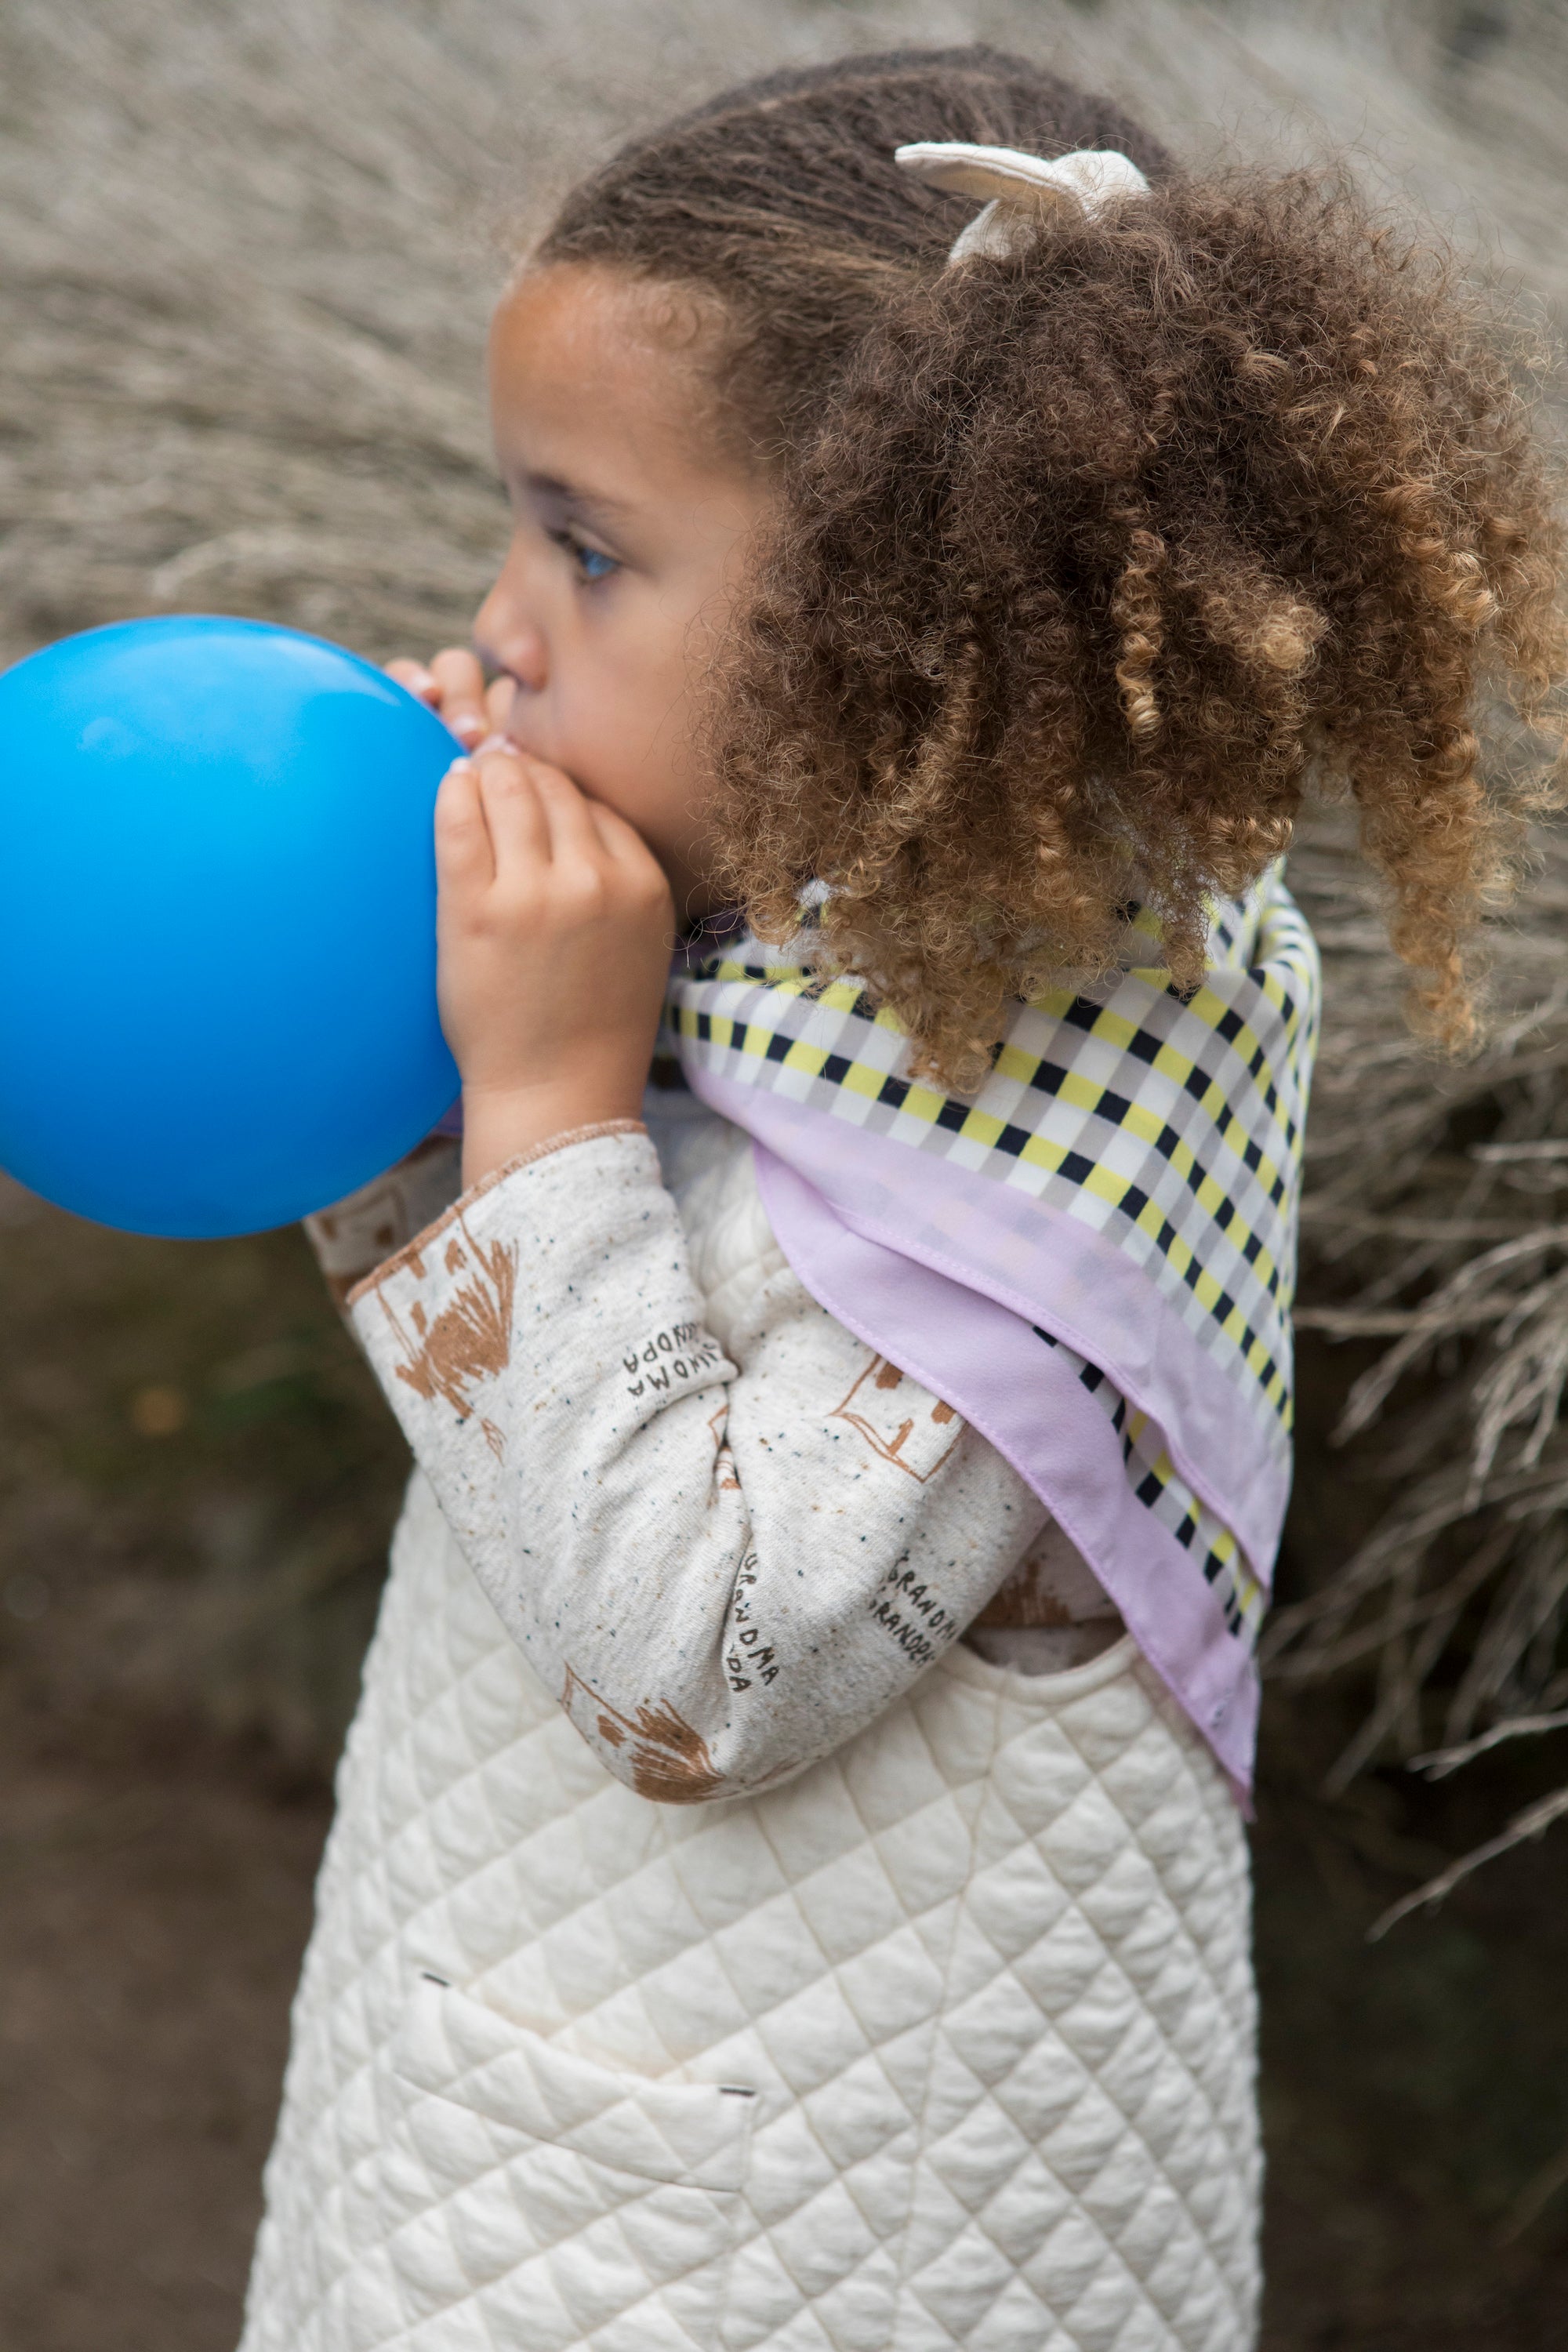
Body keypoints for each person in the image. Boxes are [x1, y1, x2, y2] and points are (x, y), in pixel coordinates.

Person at [240, 45, 1565, 2352]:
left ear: (911, 630)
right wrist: (405, 1049)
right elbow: (525, 1425)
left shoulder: (1045, 1095)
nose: (505, 617)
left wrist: (539, 1090)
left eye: (586, 547)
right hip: (518, 2064)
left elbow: (701, 1662)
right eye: (517, 526)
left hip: (815, 2230)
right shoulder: (756, 953)